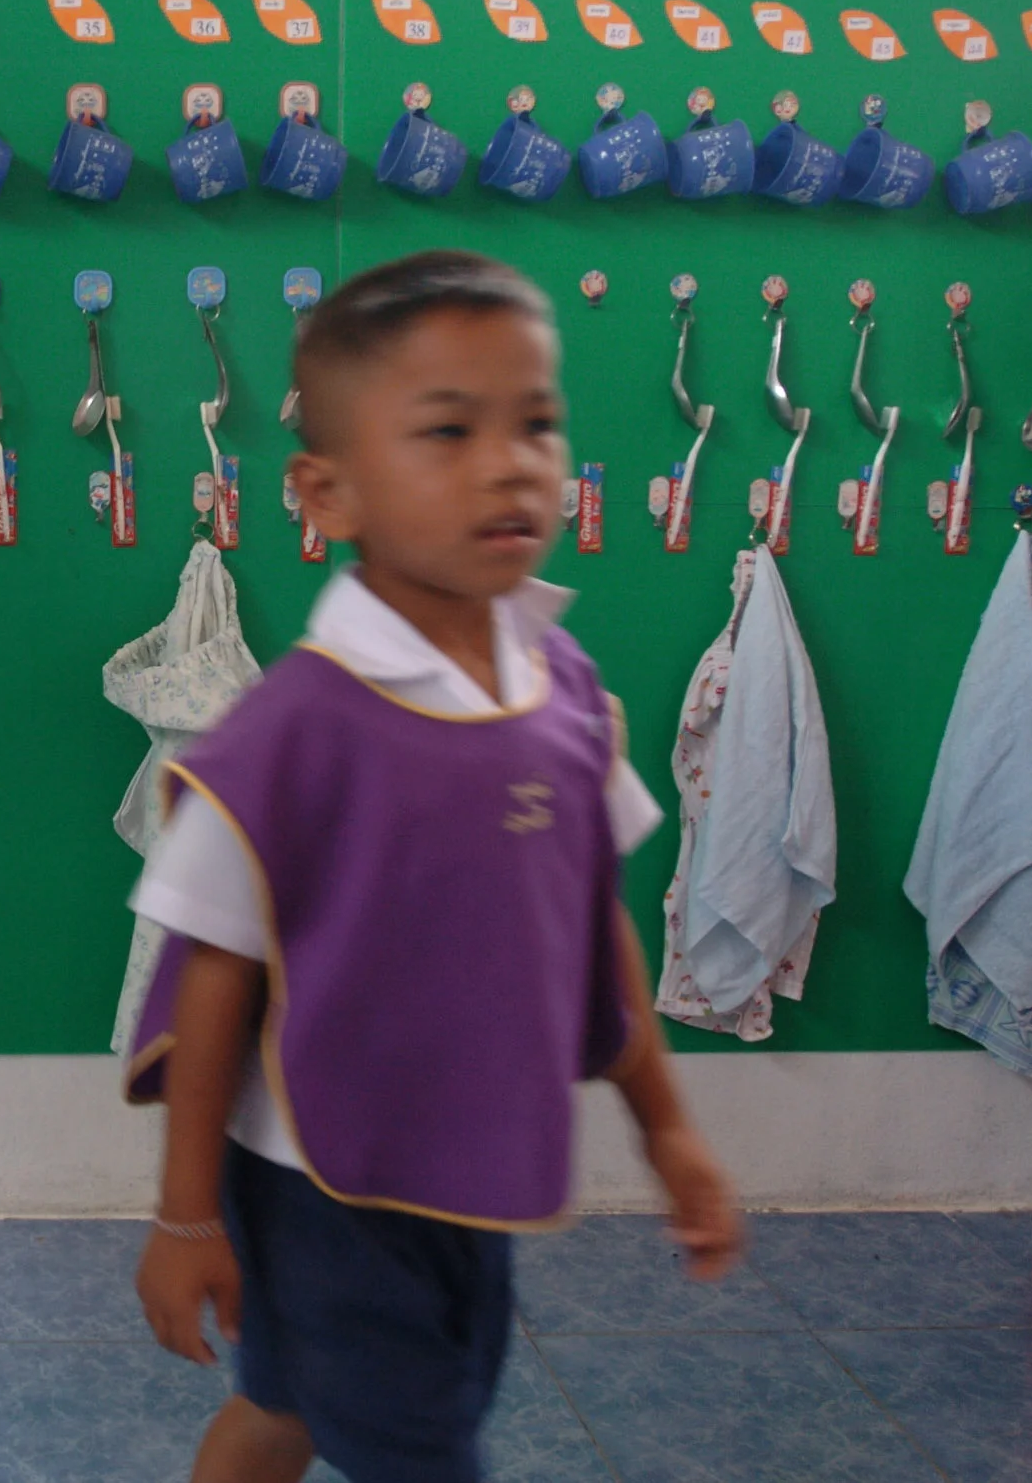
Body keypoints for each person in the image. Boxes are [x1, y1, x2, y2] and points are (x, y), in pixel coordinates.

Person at [123, 250, 743, 1483]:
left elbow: (593, 917)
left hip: (468, 1149)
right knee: (423, 1449)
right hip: (321, 1181)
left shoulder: (565, 690)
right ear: (328, 492)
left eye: (538, 424)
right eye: (449, 431)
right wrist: (185, 1213)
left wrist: (667, 1126)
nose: (511, 462)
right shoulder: (293, 729)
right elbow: (211, 980)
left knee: (289, 1408)